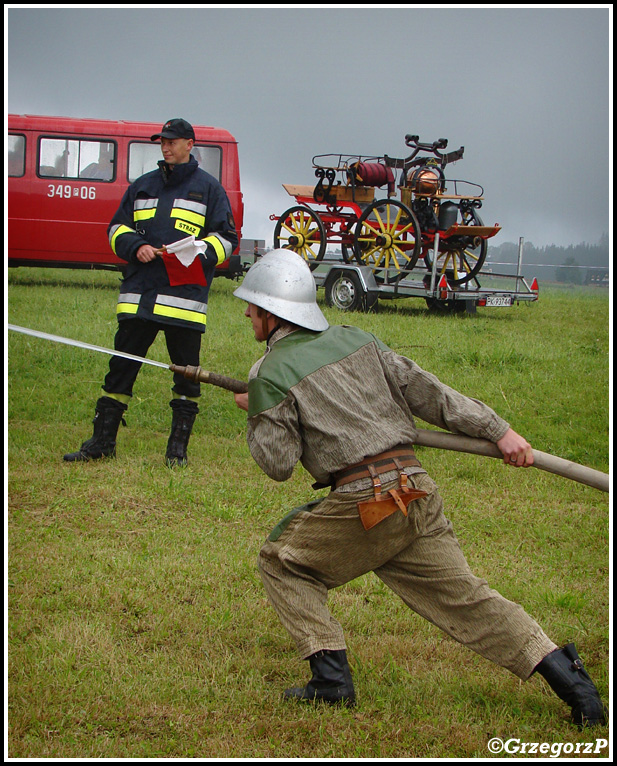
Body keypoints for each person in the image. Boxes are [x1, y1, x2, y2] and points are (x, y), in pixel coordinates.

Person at [231, 250, 607, 727]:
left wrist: (259, 409)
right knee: (467, 599)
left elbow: (279, 463)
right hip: (415, 493)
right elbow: (428, 391)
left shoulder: (268, 372)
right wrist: (497, 429)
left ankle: (330, 683)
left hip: (366, 504)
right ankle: (576, 686)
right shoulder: (358, 339)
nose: (246, 313)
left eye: (252, 305)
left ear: (272, 312)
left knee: (282, 562)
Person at [64, 118, 238, 466]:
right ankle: (101, 444)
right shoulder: (142, 186)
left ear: (190, 144)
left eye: (172, 141)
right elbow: (116, 227)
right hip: (139, 299)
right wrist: (135, 246)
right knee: (120, 372)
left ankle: (177, 452)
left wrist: (199, 253)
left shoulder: (210, 189)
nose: (165, 147)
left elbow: (227, 239)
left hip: (183, 303)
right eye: (162, 141)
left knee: (187, 379)